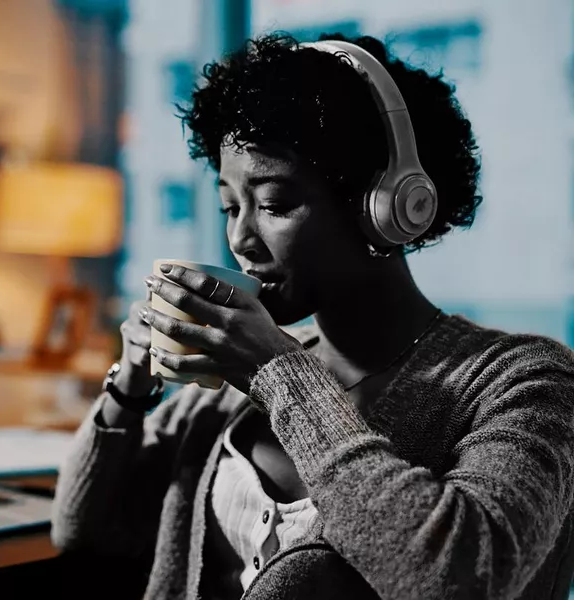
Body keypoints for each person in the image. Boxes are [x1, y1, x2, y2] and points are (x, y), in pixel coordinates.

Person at [51, 32, 574, 600]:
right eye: (231, 206)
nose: (241, 238)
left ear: (386, 205)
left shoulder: (524, 382)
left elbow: (456, 578)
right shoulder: (222, 396)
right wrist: (128, 386)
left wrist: (278, 373)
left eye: (273, 203)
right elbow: (83, 530)